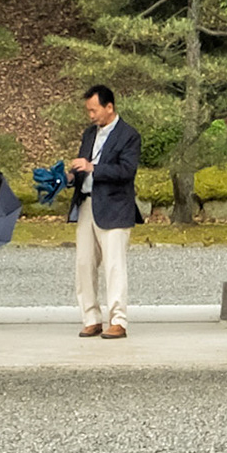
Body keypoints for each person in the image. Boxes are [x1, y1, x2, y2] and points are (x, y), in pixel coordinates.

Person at [66, 83, 143, 340]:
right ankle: (91, 317)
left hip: (115, 207)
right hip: (87, 203)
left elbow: (126, 171)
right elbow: (83, 166)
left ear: (109, 107)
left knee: (114, 266)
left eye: (94, 110)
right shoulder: (89, 134)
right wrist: (69, 176)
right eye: (88, 111)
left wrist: (93, 168)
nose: (91, 115)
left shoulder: (129, 135)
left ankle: (118, 320)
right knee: (84, 264)